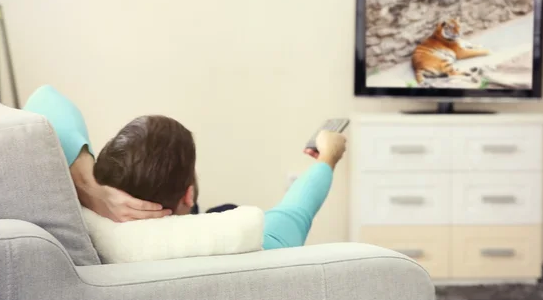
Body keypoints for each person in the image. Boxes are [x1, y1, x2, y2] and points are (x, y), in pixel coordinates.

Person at [23, 85, 347, 249]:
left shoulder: (80, 240)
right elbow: (297, 209)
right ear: (188, 196)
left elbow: (44, 97)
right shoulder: (249, 239)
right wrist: (328, 157)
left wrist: (87, 186)